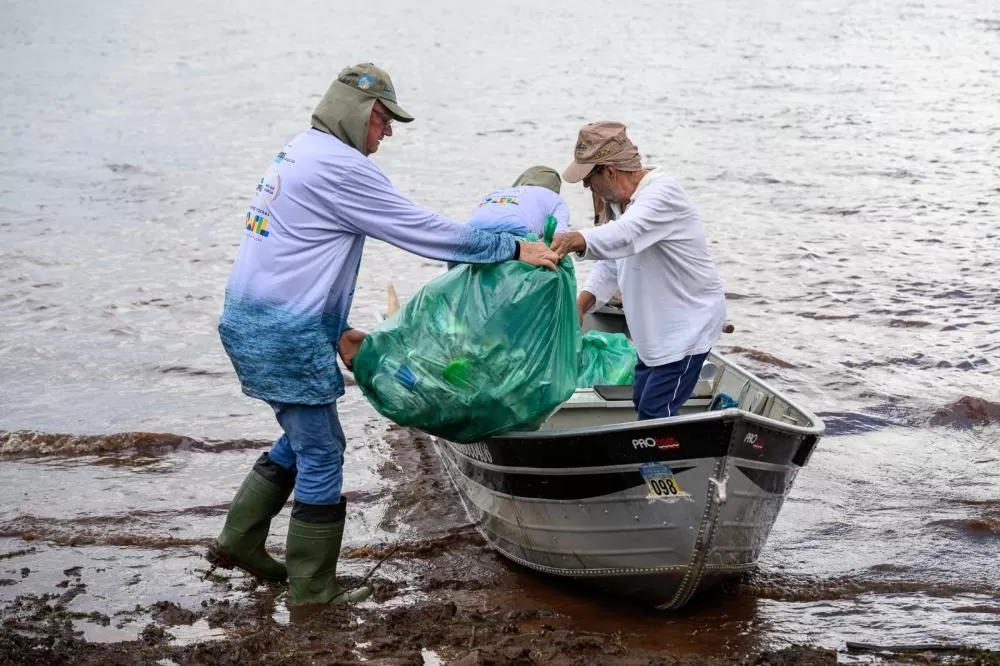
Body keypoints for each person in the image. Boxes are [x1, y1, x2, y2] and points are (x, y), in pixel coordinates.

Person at [208, 63, 559, 607]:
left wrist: (336, 330)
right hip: (283, 330)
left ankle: (238, 539)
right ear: (356, 112)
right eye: (382, 119)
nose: (387, 132)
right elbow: (423, 231)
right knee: (324, 451)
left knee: (303, 438)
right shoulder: (340, 167)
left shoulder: (300, 150)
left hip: (259, 321)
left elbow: (294, 259)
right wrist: (514, 249)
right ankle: (311, 591)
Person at [550, 121, 726, 420]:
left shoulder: (662, 193)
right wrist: (583, 304)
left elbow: (628, 234)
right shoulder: (622, 205)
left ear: (609, 170)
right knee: (642, 400)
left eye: (588, 178)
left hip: (686, 329)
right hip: (653, 334)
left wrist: (574, 239)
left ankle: (666, 466)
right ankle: (653, 462)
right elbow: (610, 262)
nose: (585, 186)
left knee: (654, 412)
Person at [466, 165, 569, 237]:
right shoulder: (555, 199)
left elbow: (475, 213)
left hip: (470, 228)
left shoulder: (496, 193)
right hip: (514, 230)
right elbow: (559, 236)